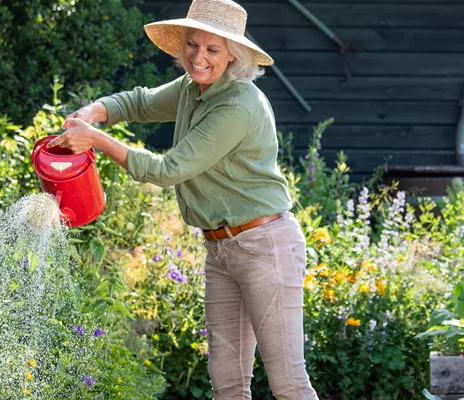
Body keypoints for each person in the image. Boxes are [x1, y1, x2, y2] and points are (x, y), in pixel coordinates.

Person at [46, 0, 317, 398]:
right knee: (226, 383)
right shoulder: (194, 89)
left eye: (212, 49)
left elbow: (167, 170)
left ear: (233, 54)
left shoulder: (238, 105)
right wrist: (93, 112)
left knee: (288, 383)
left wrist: (98, 141)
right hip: (222, 248)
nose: (199, 57)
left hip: (265, 248)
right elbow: (139, 102)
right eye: (192, 45)